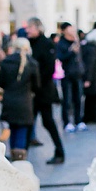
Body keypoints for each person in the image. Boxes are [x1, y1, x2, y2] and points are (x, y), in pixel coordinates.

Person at [24, 20, 63, 163]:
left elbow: (48, 69)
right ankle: (21, 153)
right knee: (29, 122)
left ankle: (60, 151)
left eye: (30, 27)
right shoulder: (30, 43)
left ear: (38, 28)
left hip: (43, 91)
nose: (27, 30)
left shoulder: (46, 44)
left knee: (47, 122)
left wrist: (36, 85)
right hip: (34, 91)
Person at [0, 36, 40, 161]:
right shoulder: (32, 63)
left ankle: (13, 154)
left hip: (9, 99)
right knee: (22, 128)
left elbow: (1, 83)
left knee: (13, 127)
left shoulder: (6, 62)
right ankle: (20, 156)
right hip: (25, 100)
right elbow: (37, 85)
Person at [55, 23, 85, 129]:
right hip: (67, 75)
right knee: (67, 100)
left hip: (78, 74)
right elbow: (60, 57)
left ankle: (78, 121)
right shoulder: (61, 43)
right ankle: (67, 122)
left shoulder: (77, 41)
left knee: (78, 99)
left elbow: (81, 58)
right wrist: (71, 52)